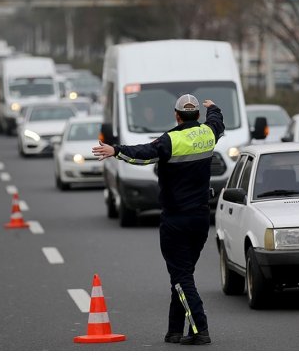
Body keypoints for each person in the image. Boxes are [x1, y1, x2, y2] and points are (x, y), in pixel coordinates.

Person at [92, 94, 224, 345]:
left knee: (181, 276)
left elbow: (142, 154)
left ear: (176, 115)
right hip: (200, 219)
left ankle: (200, 328)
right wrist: (214, 108)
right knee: (183, 274)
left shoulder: (170, 141)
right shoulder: (208, 134)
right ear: (197, 115)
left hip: (176, 220)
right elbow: (218, 123)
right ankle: (174, 330)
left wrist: (115, 150)